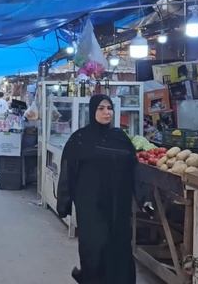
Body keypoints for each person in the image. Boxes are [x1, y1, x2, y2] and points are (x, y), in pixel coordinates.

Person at [56, 94, 136, 284]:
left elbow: (134, 167)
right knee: (95, 246)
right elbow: (68, 169)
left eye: (109, 108)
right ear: (93, 111)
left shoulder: (120, 138)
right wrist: (64, 202)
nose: (106, 112)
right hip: (91, 204)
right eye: (101, 108)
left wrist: (141, 197)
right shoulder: (80, 139)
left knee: (119, 246)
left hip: (117, 204)